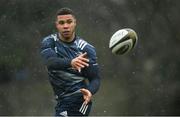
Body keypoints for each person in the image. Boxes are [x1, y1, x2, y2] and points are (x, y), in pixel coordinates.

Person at [40, 7, 101, 116]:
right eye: (62, 23)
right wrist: (70, 62)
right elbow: (50, 62)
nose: (66, 26)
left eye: (69, 22)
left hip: (79, 100)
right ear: (56, 25)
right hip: (62, 101)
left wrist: (90, 91)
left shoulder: (86, 49)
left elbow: (95, 78)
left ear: (75, 23)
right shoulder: (49, 42)